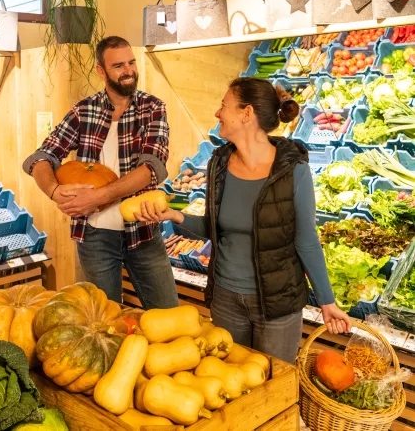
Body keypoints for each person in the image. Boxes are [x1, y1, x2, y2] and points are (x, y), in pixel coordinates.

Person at [135, 77, 352, 364]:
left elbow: (307, 241)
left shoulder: (293, 171)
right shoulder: (219, 165)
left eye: (223, 106)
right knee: (231, 384)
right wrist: (175, 215)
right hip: (226, 299)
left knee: (273, 384)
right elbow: (216, 228)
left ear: (246, 113)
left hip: (276, 304)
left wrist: (327, 301)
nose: (217, 113)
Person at [22, 35, 179, 310]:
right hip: (94, 236)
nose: (128, 70)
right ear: (101, 71)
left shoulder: (153, 108)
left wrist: (99, 197)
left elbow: (152, 167)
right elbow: (41, 157)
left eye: (131, 62)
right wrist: (54, 191)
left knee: (168, 312)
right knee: (105, 320)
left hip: (143, 232)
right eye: (118, 65)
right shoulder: (83, 111)